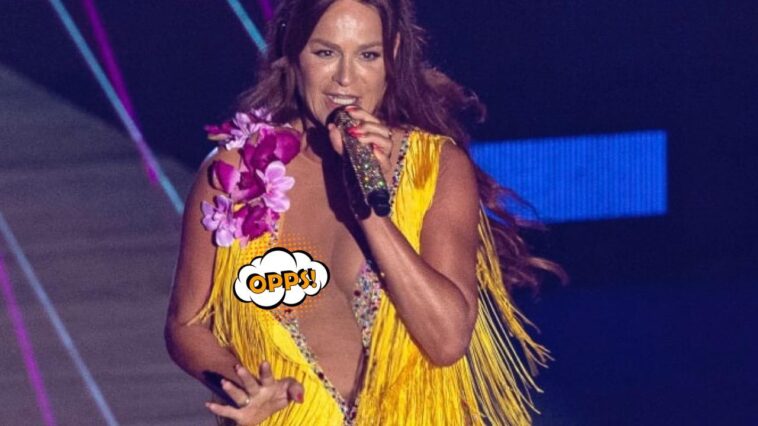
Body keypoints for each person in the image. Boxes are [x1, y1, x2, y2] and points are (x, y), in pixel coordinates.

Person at [165, 0, 563, 424]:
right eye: (325, 52)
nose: (345, 78)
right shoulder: (237, 173)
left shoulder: (433, 169)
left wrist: (371, 209)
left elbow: (448, 340)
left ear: (393, 55)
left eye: (367, 55)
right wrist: (243, 385)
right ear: (292, 51)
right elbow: (185, 325)